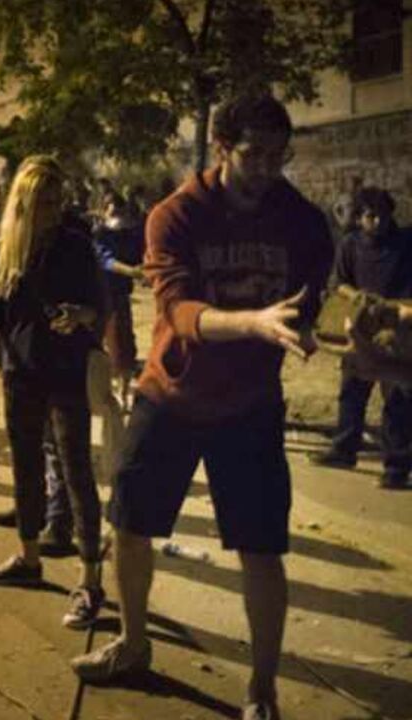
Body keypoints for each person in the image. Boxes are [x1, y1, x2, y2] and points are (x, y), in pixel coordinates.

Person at [69, 94, 334, 720]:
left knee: (261, 547)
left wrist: (315, 326)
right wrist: (252, 322)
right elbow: (178, 310)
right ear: (221, 148)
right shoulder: (177, 214)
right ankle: (134, 644)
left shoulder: (301, 220)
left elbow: (312, 298)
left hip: (251, 405)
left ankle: (261, 690)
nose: (267, 168)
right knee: (130, 525)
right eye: (253, 154)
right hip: (171, 394)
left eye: (278, 155)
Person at [0, 156, 108, 629]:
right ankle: (29, 558)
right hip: (19, 371)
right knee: (25, 467)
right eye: (41, 201)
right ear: (21, 203)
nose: (51, 209)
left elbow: (99, 306)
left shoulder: (76, 246)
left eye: (55, 200)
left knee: (75, 472)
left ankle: (90, 581)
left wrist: (81, 315)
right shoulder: (4, 249)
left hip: (66, 371)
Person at [311, 187, 412, 489]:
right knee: (352, 389)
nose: (377, 221)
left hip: (395, 327)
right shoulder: (350, 245)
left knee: (397, 398)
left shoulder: (405, 244)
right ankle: (344, 449)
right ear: (359, 218)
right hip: (359, 324)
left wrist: (393, 310)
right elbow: (339, 283)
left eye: (383, 215)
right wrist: (358, 297)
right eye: (370, 216)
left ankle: (396, 468)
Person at [93, 193, 147, 408]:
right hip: (100, 295)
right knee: (100, 344)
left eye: (119, 211)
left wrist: (143, 268)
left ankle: (122, 390)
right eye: (112, 210)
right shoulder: (99, 234)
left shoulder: (129, 234)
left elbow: (140, 255)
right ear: (103, 211)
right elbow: (105, 260)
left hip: (120, 295)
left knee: (123, 343)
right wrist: (131, 271)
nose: (116, 215)